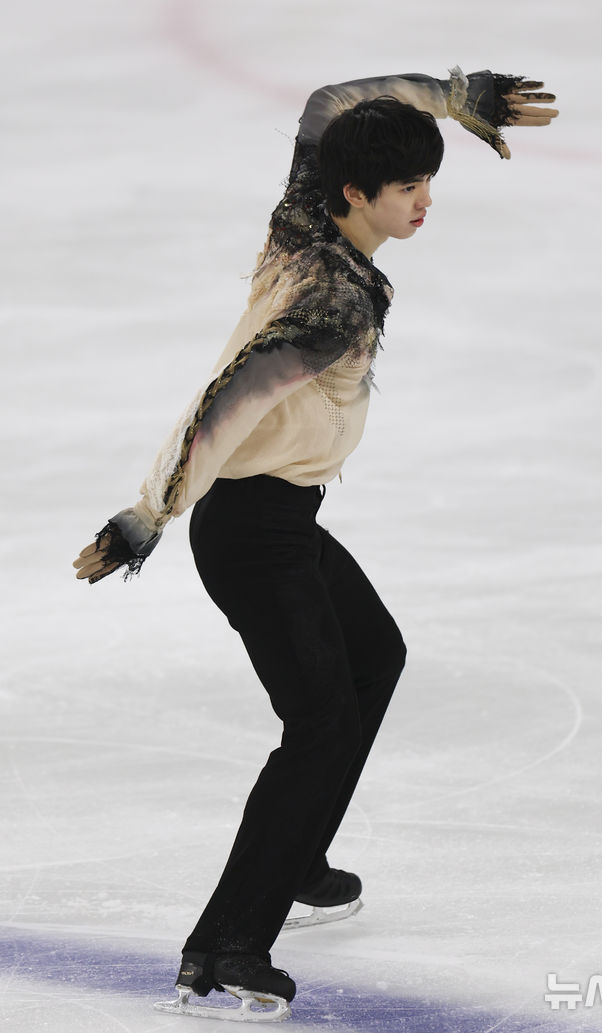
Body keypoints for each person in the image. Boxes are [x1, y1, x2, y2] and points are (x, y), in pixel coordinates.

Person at [73, 67, 558, 1021]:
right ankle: (224, 948)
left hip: (280, 518)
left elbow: (327, 106)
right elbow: (225, 404)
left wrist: (448, 96)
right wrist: (146, 514)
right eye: (407, 187)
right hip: (251, 529)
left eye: (428, 183)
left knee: (375, 654)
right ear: (355, 193)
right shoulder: (331, 303)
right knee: (320, 722)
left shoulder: (303, 218)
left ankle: (297, 859)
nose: (424, 203)